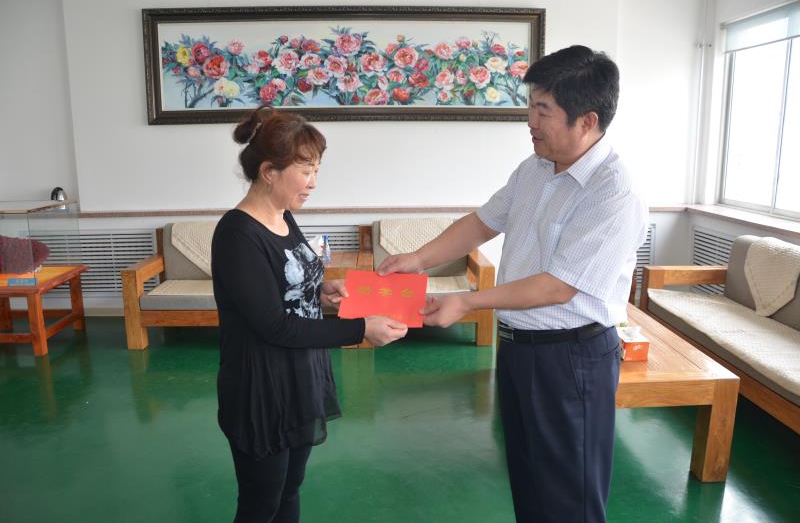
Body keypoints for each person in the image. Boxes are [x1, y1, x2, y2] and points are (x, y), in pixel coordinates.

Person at [378, 45, 648, 523]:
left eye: (543, 110)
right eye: (531, 106)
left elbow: (557, 287)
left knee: (570, 496)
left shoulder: (613, 193)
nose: (530, 121)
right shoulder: (535, 168)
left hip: (572, 358)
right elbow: (482, 222)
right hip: (520, 349)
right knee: (529, 481)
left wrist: (467, 302)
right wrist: (417, 260)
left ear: (587, 121)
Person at [211, 106, 408, 523]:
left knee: (289, 490)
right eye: (306, 171)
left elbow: (284, 285)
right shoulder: (237, 234)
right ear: (269, 172)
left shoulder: (284, 218)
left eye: (316, 170)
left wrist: (321, 291)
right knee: (261, 503)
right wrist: (360, 329)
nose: (314, 182)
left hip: (301, 377)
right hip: (262, 387)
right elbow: (273, 324)